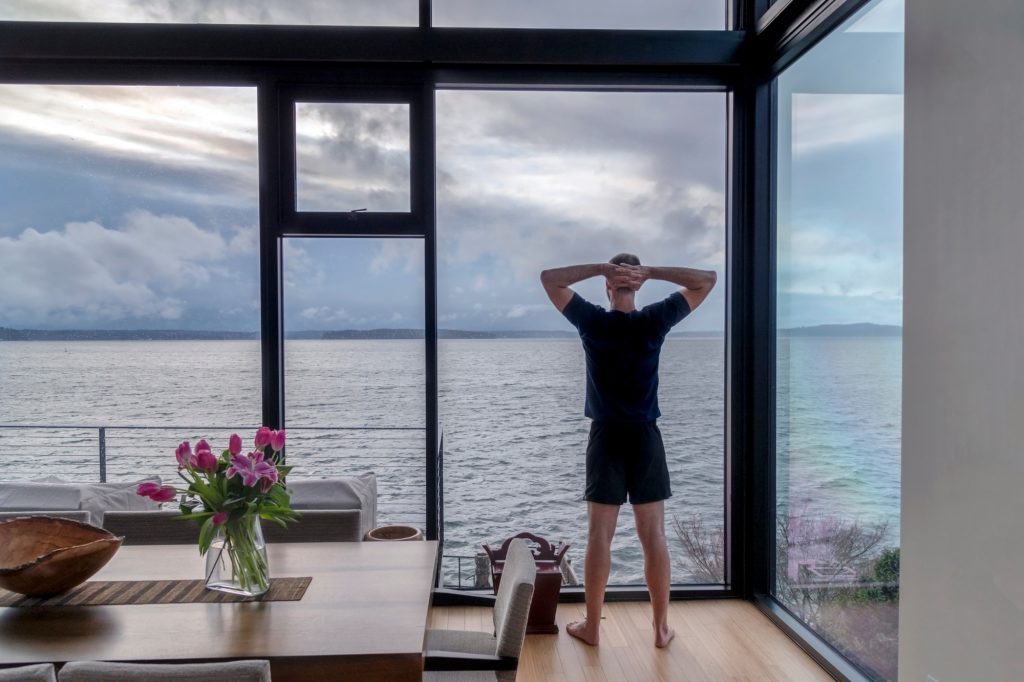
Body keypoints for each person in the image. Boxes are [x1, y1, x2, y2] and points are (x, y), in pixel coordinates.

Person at [539, 253, 717, 648]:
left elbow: (550, 278)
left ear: (607, 286)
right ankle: (660, 630)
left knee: (599, 536)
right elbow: (706, 279)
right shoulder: (654, 319)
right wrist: (651, 272)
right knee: (654, 535)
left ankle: (592, 627)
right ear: (637, 284)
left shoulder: (592, 321)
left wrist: (600, 268)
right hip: (645, 438)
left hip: (606, 438)